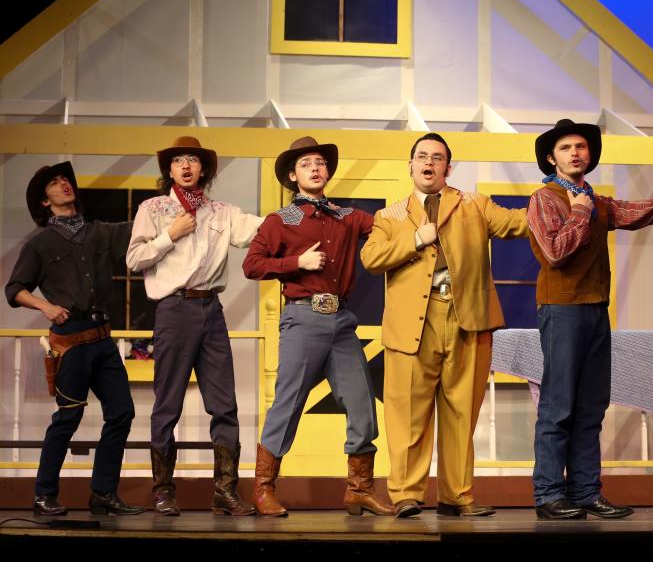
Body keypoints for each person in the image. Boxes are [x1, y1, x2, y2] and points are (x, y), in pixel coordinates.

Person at [360, 133, 528, 518]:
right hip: (413, 325)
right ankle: (405, 494)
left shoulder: (473, 204)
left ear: (448, 167)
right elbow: (371, 257)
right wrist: (416, 240)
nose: (429, 163)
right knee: (408, 415)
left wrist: (559, 201)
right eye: (422, 156)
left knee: (461, 412)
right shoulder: (390, 215)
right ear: (411, 165)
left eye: (437, 157)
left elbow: (515, 223)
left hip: (466, 317)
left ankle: (458, 495)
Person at [243, 136, 392, 517]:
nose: (315, 167)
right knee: (288, 403)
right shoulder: (281, 220)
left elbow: (388, 226)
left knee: (361, 403)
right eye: (306, 163)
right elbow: (252, 265)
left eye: (320, 163)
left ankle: (359, 489)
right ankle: (263, 488)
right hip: (303, 317)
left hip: (341, 320)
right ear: (293, 176)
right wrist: (295, 263)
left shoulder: (347, 217)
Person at [527, 119, 653, 520]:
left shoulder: (597, 201)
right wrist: (580, 215)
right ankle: (549, 494)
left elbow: (640, 212)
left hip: (596, 308)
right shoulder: (545, 198)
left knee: (591, 406)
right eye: (566, 148)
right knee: (559, 405)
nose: (576, 153)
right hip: (562, 308)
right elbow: (554, 252)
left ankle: (585, 491)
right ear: (552, 157)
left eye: (581, 147)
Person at [126, 136, 263, 516]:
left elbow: (262, 229)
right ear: (169, 170)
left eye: (193, 160)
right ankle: (163, 491)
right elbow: (134, 258)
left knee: (225, 405)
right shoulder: (153, 208)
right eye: (178, 161)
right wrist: (171, 234)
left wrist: (299, 214)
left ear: (204, 169)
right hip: (174, 309)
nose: (186, 166)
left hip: (211, 311)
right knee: (167, 403)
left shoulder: (221, 212)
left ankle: (225, 490)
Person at [6, 162, 144, 516]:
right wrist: (46, 306)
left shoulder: (99, 232)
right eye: (54, 182)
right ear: (43, 202)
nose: (64, 184)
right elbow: (15, 289)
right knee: (68, 416)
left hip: (102, 338)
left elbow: (140, 228)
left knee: (122, 413)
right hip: (70, 341)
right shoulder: (40, 244)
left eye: (65, 179)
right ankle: (43, 495)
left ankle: (102, 493)